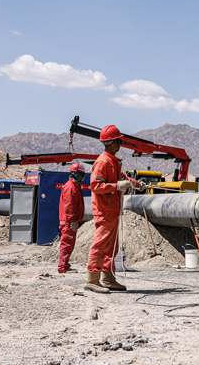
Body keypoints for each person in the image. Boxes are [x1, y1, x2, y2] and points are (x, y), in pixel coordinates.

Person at [85, 124, 139, 293]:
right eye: (119, 142)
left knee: (111, 247)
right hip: (104, 210)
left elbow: (123, 178)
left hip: (112, 210)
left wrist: (137, 184)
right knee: (101, 245)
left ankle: (108, 278)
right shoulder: (103, 162)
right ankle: (92, 279)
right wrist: (116, 186)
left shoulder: (113, 162)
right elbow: (95, 185)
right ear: (116, 142)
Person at [57, 162, 86, 273]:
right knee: (66, 245)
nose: (83, 178)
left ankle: (65, 265)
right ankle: (62, 267)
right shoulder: (71, 187)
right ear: (77, 174)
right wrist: (73, 220)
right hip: (69, 222)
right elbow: (69, 206)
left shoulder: (74, 186)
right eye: (82, 175)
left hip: (70, 221)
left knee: (68, 245)